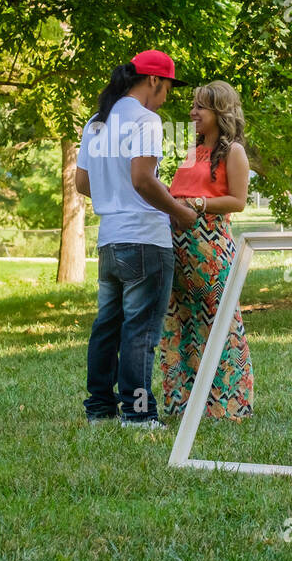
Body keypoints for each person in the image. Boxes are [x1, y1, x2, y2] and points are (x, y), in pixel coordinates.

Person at [76, 50, 198, 428]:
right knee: (141, 330)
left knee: (107, 325)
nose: (168, 97)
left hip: (109, 238)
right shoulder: (146, 121)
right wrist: (180, 213)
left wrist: (113, 194)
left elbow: (82, 183)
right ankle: (138, 412)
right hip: (145, 238)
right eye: (168, 88)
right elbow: (143, 179)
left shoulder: (96, 122)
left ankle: (99, 408)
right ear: (153, 81)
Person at [160, 81, 253, 420]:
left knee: (219, 322)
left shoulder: (234, 153)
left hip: (210, 248)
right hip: (179, 247)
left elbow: (238, 201)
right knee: (182, 321)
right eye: (193, 106)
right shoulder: (193, 150)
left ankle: (228, 404)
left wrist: (198, 203)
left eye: (200, 107)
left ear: (220, 111)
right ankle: (185, 402)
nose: (192, 112)